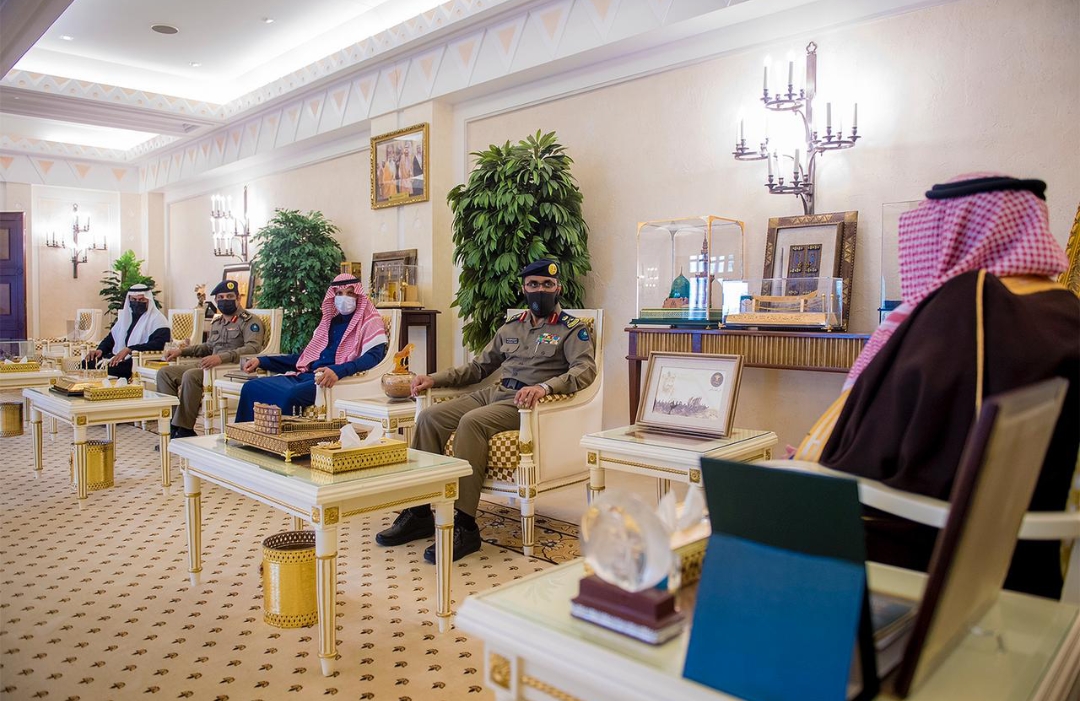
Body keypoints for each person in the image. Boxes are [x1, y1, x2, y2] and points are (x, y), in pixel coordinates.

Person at [797, 174, 1079, 599]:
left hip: (937, 561)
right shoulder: (1063, 307)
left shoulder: (970, 306)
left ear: (957, 232)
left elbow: (873, 448)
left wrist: (805, 466)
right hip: (1034, 556)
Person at [375, 259, 597, 563]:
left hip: (527, 403)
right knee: (430, 417)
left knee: (472, 422)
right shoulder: (512, 326)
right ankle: (420, 511)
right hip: (496, 392)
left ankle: (465, 526)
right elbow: (479, 367)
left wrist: (545, 388)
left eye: (548, 284)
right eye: (533, 284)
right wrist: (434, 378)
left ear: (558, 288)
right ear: (524, 288)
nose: (540, 290)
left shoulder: (571, 330)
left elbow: (585, 370)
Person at [233, 274, 388, 422]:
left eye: (350, 293)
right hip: (307, 376)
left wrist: (339, 370)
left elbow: (373, 358)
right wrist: (262, 361)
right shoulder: (329, 322)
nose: (344, 298)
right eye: (339, 293)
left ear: (359, 296)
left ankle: (283, 440)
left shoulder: (370, 321)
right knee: (250, 387)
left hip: (333, 380)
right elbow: (304, 358)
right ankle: (249, 436)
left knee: (291, 394)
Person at [157, 279, 267, 439]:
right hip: (209, 366)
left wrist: (220, 358)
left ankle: (184, 429)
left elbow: (253, 348)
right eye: (220, 297)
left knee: (191, 375)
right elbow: (208, 347)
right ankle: (172, 427)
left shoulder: (250, 321)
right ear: (215, 300)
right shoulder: (217, 322)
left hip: (230, 369)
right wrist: (181, 351)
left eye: (229, 296)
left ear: (238, 298)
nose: (224, 300)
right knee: (165, 373)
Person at [83, 284, 170, 380]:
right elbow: (111, 339)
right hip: (119, 357)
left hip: (139, 360)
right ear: (129, 300)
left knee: (113, 368)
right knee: (86, 363)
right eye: (134, 300)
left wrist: (130, 349)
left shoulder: (157, 319)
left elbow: (159, 344)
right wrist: (101, 350)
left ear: (148, 300)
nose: (137, 303)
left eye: (141, 300)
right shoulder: (126, 317)